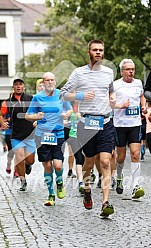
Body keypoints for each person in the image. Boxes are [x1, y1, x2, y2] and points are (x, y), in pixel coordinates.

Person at [60, 39, 115, 218]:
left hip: (106, 122)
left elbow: (110, 90)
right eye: (95, 50)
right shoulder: (78, 73)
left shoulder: (108, 72)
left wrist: (112, 98)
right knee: (89, 162)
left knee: (106, 161)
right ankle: (87, 188)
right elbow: (62, 94)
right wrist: (81, 95)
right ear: (89, 52)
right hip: (86, 123)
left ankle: (105, 202)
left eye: (101, 50)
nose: (98, 52)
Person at [25, 72, 72, 206]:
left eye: (52, 80)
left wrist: (65, 114)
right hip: (42, 135)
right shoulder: (37, 98)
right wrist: (37, 117)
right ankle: (51, 194)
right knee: (47, 166)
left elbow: (69, 110)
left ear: (55, 82)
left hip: (58, 133)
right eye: (47, 80)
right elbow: (28, 116)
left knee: (57, 165)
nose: (50, 82)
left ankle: (59, 182)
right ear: (43, 83)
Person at [113, 59, 147, 199]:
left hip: (135, 124)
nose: (131, 72)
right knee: (120, 157)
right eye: (128, 69)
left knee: (135, 154)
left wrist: (143, 105)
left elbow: (141, 96)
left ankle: (135, 186)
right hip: (120, 125)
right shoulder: (115, 85)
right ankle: (119, 176)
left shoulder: (138, 83)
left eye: (132, 69)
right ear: (122, 72)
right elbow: (110, 103)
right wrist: (120, 105)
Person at [0, 78, 36, 191]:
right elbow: (1, 115)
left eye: (20, 84)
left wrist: (37, 120)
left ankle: (28, 165)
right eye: (16, 85)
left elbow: (38, 111)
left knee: (30, 160)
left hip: (30, 135)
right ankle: (23, 181)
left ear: (23, 86)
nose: (18, 86)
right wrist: (2, 123)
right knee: (19, 158)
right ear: (13, 87)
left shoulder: (31, 99)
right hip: (16, 135)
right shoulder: (7, 101)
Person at [66, 102, 84, 194]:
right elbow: (65, 121)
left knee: (87, 158)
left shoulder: (87, 108)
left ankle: (89, 175)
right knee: (78, 157)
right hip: (73, 136)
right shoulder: (69, 108)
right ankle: (81, 182)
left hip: (85, 136)